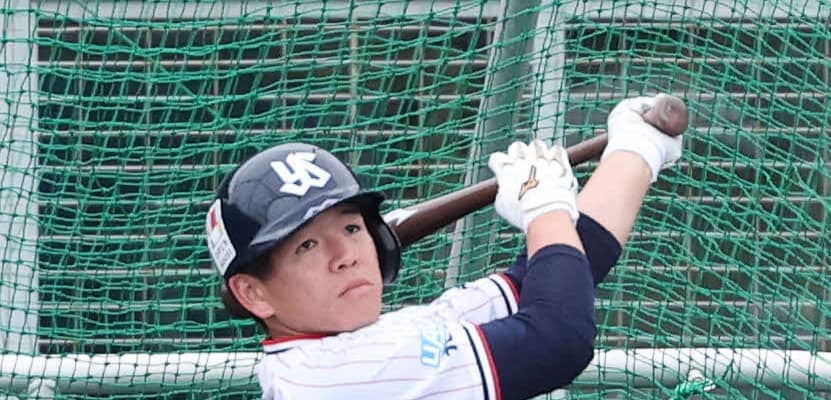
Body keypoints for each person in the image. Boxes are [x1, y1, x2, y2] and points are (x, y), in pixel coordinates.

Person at [205, 94, 684, 400]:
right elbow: (557, 340)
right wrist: (543, 206)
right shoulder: (335, 376)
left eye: (351, 229)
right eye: (307, 245)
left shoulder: (364, 345)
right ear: (253, 293)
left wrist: (636, 150)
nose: (346, 255)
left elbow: (557, 275)